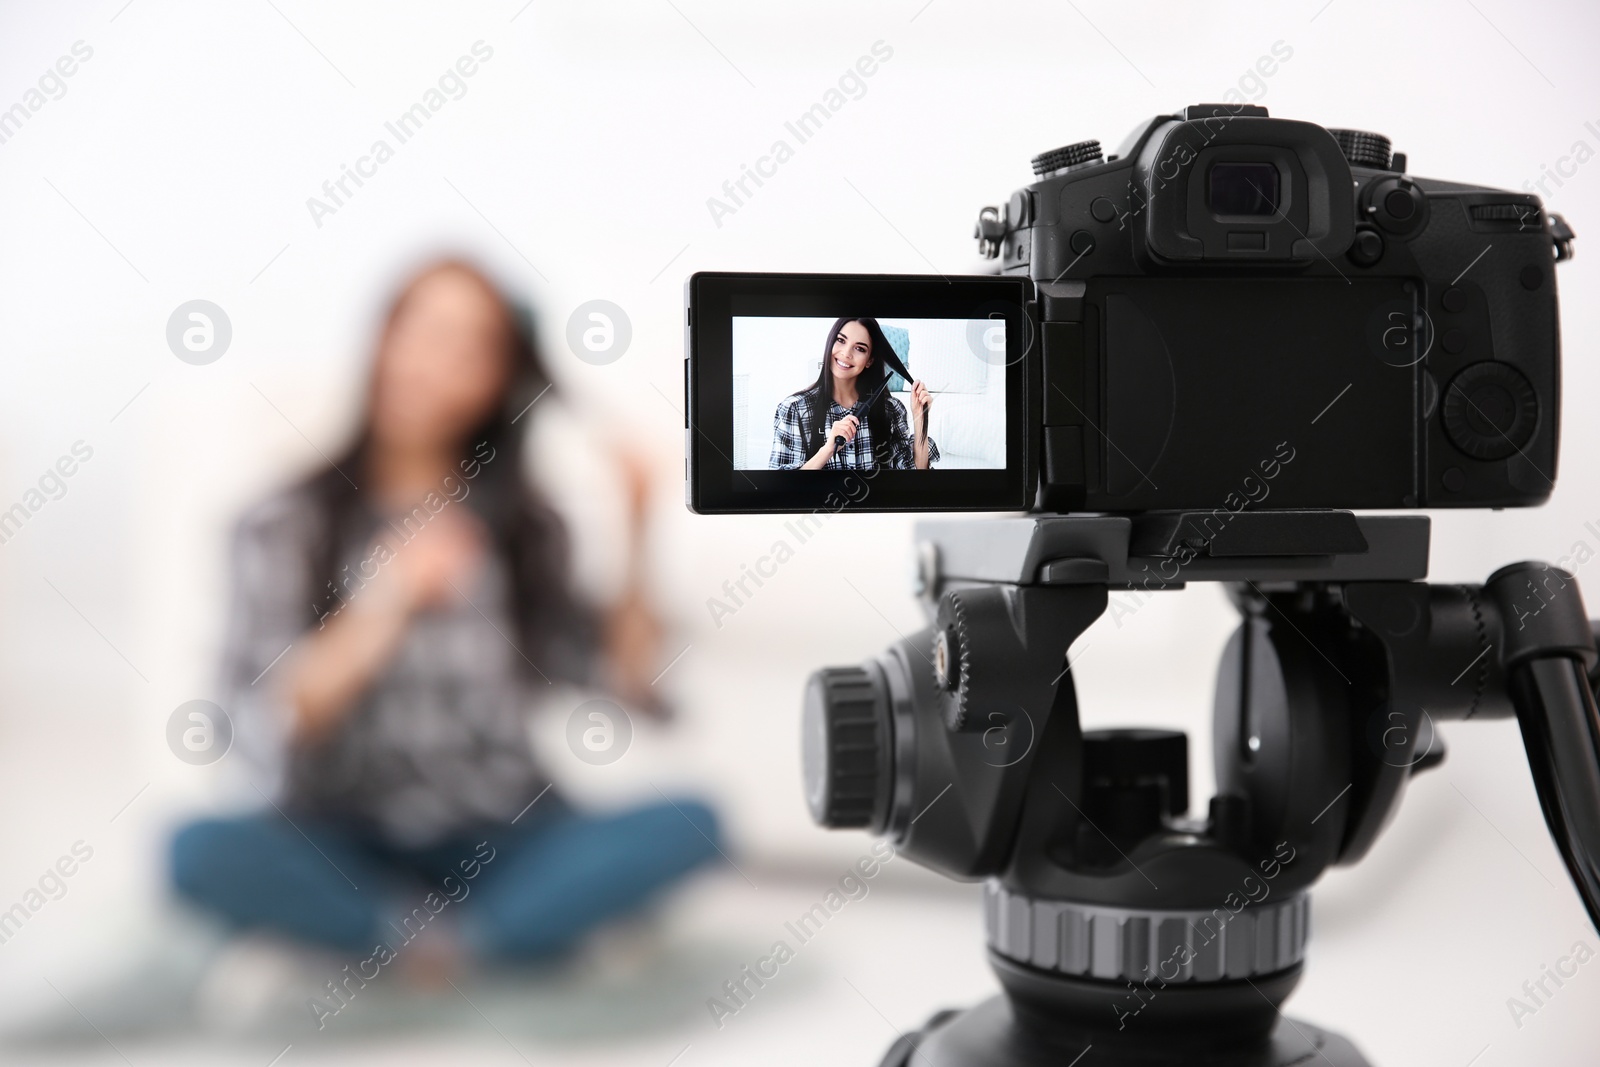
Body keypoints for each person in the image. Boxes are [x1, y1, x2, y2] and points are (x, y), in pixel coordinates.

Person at [170, 259, 720, 969]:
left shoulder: (525, 526)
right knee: (196, 849)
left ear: (500, 378)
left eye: (470, 347)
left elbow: (628, 684)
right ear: (383, 339)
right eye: (423, 331)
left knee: (694, 823)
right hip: (342, 837)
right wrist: (386, 601)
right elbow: (261, 722)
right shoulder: (283, 520)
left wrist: (639, 525)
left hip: (507, 833)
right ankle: (466, 942)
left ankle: (432, 949)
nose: (435, 362)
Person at [769, 317, 939, 470]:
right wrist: (828, 450)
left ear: (870, 360)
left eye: (859, 348)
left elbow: (913, 478)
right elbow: (782, 489)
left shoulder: (891, 409)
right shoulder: (794, 409)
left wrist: (920, 419)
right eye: (841, 340)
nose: (846, 353)